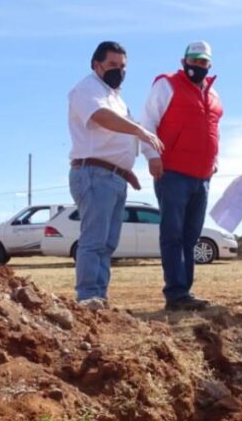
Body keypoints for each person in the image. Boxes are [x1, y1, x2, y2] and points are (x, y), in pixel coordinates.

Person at [67, 41, 163, 306]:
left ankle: (100, 296)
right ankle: (87, 297)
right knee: (95, 239)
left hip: (113, 177)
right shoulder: (87, 88)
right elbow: (101, 117)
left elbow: (114, 133)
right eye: (112, 65)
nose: (118, 71)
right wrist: (140, 131)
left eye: (122, 67)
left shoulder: (116, 97)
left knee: (108, 243)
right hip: (94, 173)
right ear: (95, 65)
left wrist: (125, 170)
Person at [141, 41, 224, 311]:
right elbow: (148, 122)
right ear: (184, 60)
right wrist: (152, 156)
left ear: (209, 65)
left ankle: (184, 291)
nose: (198, 65)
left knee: (191, 235)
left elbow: (213, 131)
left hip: (202, 177)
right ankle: (175, 292)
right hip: (172, 172)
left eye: (203, 62)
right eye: (194, 60)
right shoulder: (166, 85)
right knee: (173, 233)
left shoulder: (213, 95)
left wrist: (215, 161)